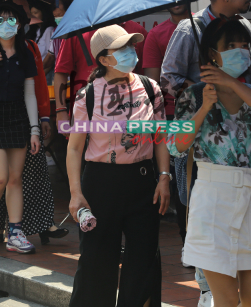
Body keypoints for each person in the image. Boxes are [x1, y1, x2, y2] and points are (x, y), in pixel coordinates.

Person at [160, 0, 251, 307]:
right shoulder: (187, 29)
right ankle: (207, 284)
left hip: (246, 173)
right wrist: (206, 94)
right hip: (206, 157)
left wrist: (236, 88)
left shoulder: (245, 25)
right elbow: (170, 78)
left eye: (242, 47)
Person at [67, 24, 170, 307]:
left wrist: (163, 177)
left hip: (142, 181)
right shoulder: (87, 95)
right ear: (103, 59)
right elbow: (75, 148)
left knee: (144, 260)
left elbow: (159, 137)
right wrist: (76, 193)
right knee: (97, 261)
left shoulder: (150, 88)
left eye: (131, 46)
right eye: (121, 48)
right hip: (100, 184)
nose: (130, 52)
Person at [0, 1, 66, 246]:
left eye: (10, 20)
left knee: (15, 178)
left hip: (18, 117)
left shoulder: (26, 52)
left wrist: (35, 129)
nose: (4, 25)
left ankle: (15, 232)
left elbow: (29, 93)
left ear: (19, 25)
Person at [143, 3, 191, 265]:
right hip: (173, 116)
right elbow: (153, 84)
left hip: (208, 113)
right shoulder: (156, 34)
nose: (177, 1)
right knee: (182, 181)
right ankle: (187, 243)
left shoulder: (203, 27)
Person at [54, 21, 148, 129]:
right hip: (87, 112)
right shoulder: (76, 31)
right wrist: (60, 110)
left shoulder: (137, 30)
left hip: (131, 111)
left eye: (130, 45)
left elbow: (143, 71)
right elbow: (61, 71)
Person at [27, 0, 56, 82]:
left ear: (43, 13)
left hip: (45, 75)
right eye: (31, 13)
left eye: (35, 13)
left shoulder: (49, 30)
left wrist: (40, 75)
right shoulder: (36, 30)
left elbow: (51, 57)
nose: (33, 15)